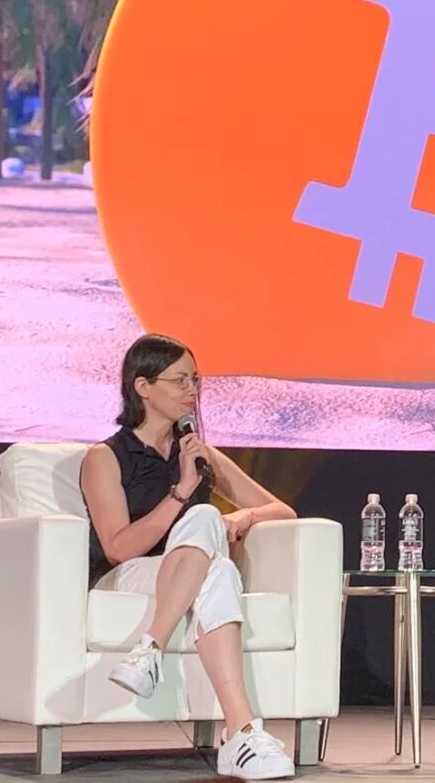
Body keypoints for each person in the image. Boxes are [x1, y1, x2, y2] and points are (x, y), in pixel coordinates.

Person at [80, 334, 298, 780]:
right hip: (129, 575)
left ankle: (224, 715)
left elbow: (283, 511)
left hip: (190, 575)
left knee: (216, 562)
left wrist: (245, 517)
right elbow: (119, 548)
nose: (191, 391)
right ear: (143, 387)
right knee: (202, 519)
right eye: (179, 380)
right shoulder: (106, 457)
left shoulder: (198, 454)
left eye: (195, 380)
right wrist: (181, 491)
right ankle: (239, 734)